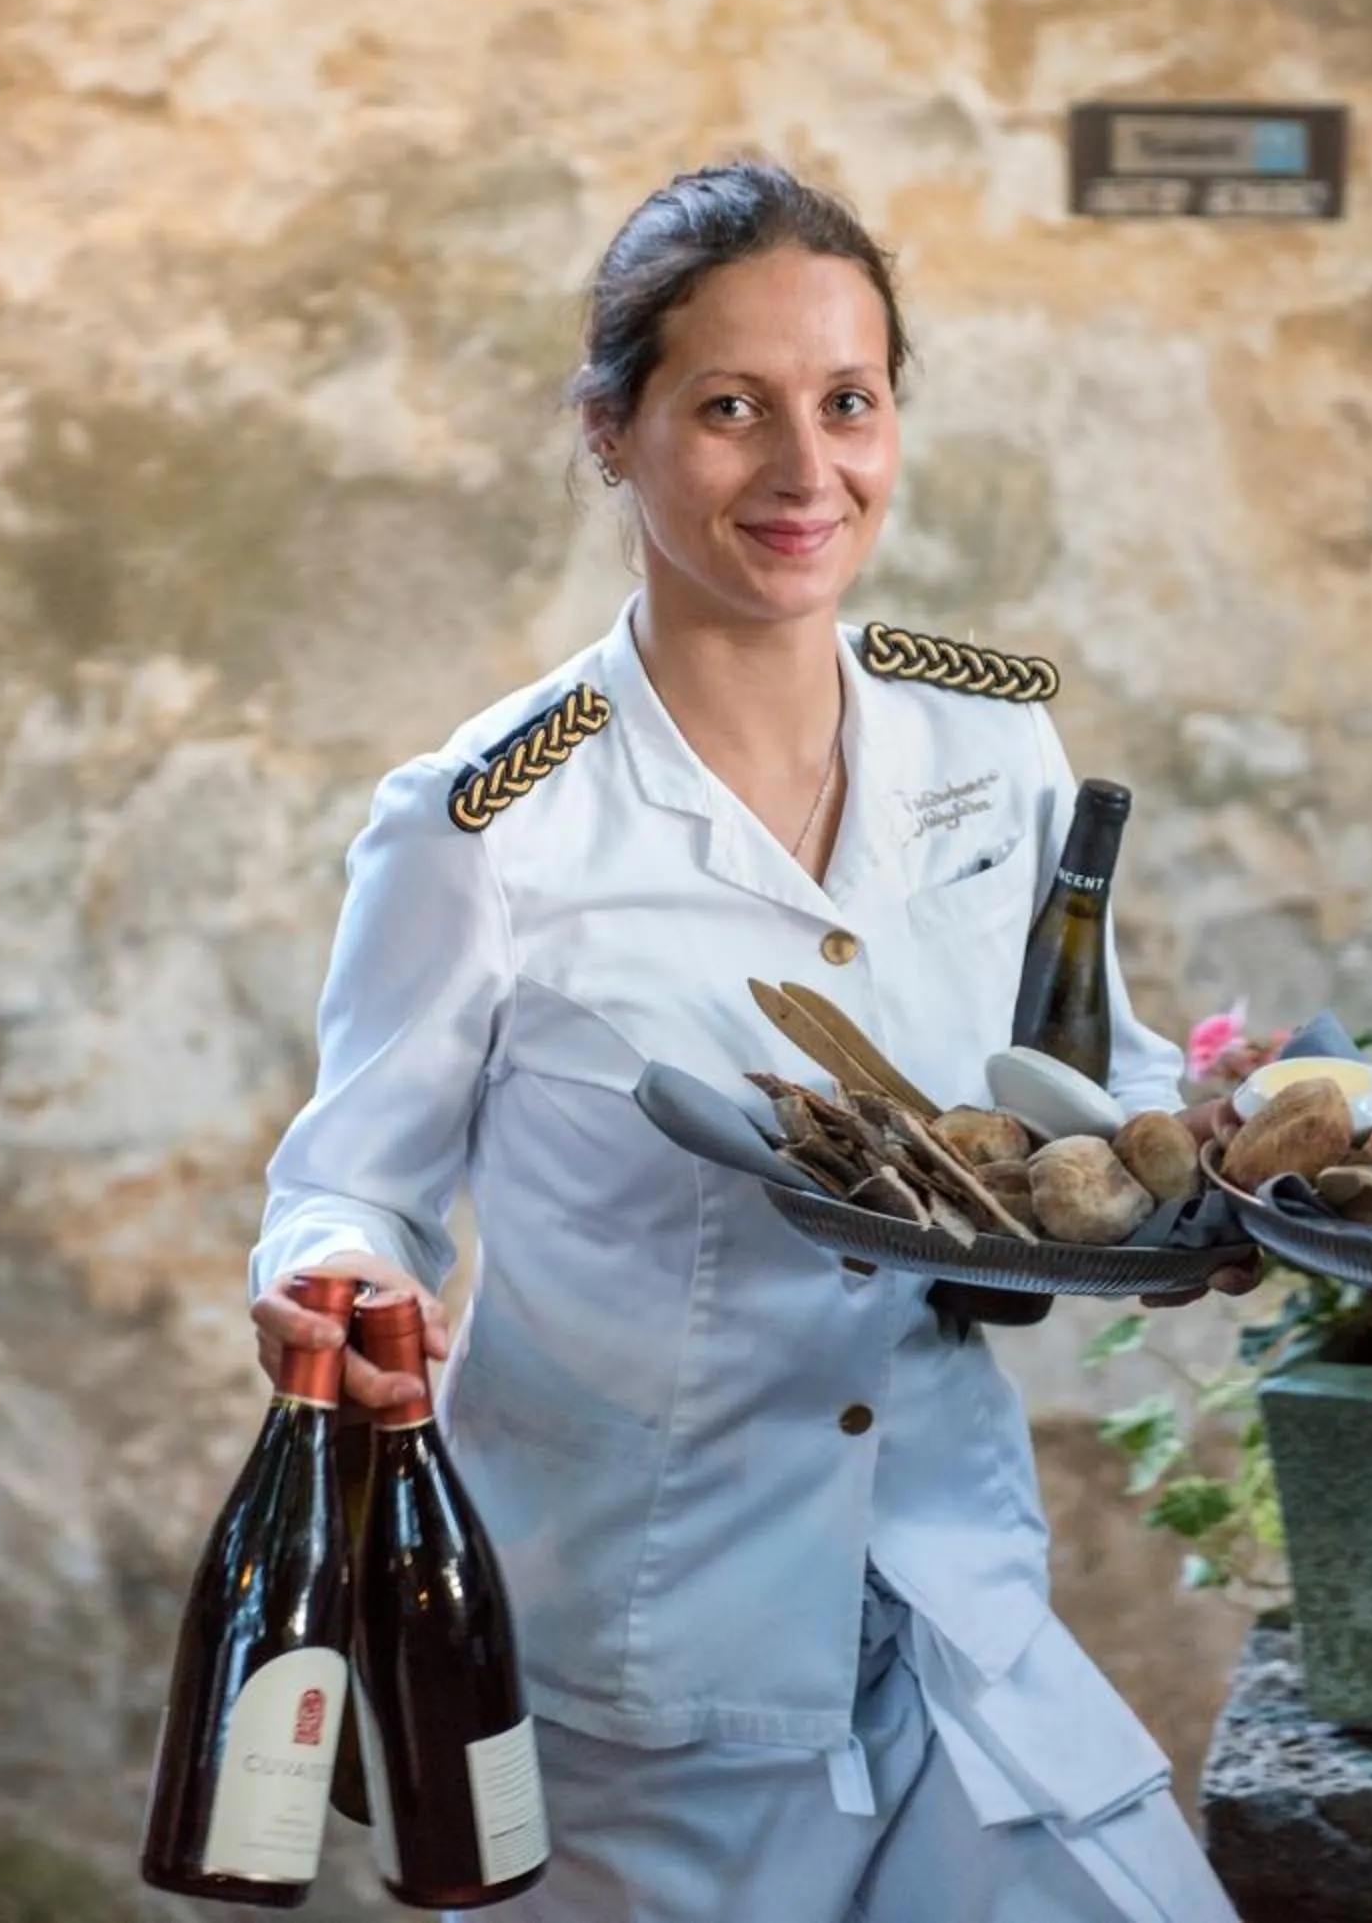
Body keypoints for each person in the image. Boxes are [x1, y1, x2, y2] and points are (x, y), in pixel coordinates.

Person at [247, 161, 1252, 1922]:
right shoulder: (490, 821)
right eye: (731, 409)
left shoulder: (987, 741)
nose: (805, 472)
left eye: (848, 402)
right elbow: (352, 1185)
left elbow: (1075, 1080)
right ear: (609, 432)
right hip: (645, 1671)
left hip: (951, 1601)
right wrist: (336, 1277)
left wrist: (1234, 1155)